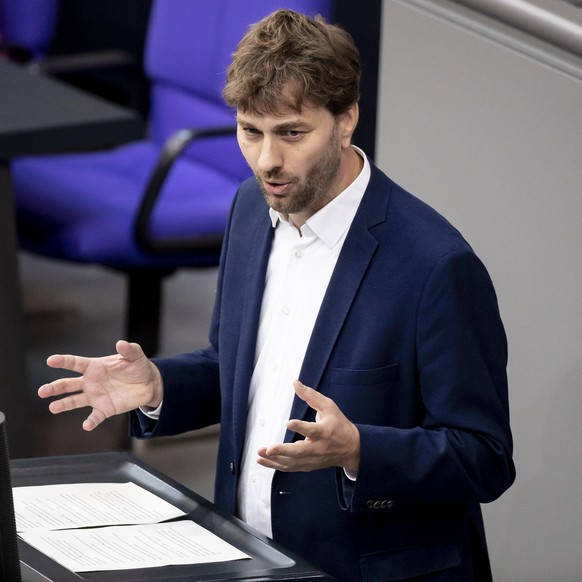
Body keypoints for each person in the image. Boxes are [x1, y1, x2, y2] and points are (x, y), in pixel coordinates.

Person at [38, 9, 515, 581]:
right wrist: (160, 386)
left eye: (292, 133)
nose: (268, 160)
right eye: (250, 131)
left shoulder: (436, 266)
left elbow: (484, 458)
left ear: (346, 120)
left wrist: (361, 449)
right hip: (252, 556)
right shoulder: (249, 208)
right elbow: (244, 369)